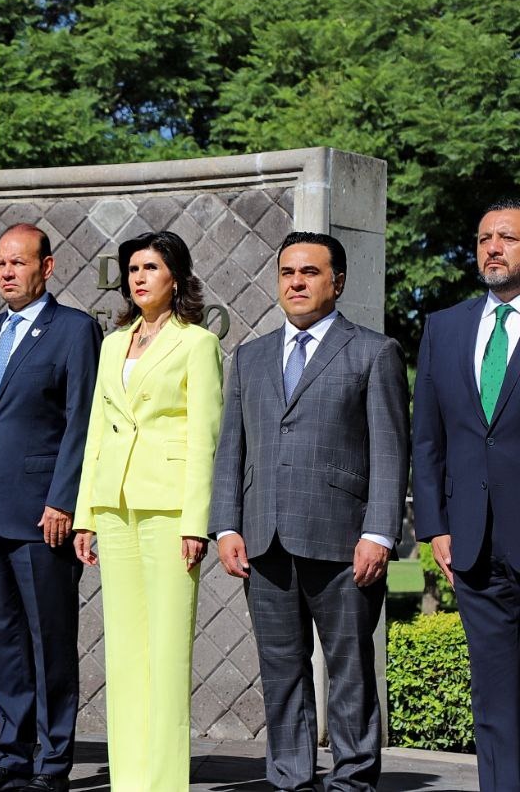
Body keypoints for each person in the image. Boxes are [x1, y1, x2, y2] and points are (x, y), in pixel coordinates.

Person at [210, 231, 408, 792]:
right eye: (288, 273)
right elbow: (232, 449)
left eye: (310, 272)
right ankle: (290, 777)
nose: (296, 282)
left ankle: (352, 779)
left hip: (345, 541)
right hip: (265, 540)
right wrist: (227, 524)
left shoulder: (374, 351)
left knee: (349, 671)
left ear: (337, 281)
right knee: (282, 670)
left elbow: (390, 449)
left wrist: (379, 533)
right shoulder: (249, 356)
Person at [0, 224, 101, 792]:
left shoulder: (74, 330)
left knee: (50, 640)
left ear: (48, 267)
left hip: (43, 516)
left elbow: (82, 422)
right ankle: (12, 756)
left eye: (18, 262)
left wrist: (64, 498)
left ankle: (53, 764)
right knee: (5, 640)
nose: (7, 272)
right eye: (0, 263)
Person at [72, 230, 223, 791]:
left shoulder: (198, 343)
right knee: (125, 653)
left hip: (167, 508)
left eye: (150, 267)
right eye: (132, 268)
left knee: (165, 652)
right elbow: (95, 435)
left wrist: (195, 521)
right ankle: (128, 780)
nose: (138, 277)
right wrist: (87, 511)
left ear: (175, 277)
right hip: (114, 507)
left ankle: (163, 782)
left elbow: (206, 437)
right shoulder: (113, 344)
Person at [413, 200, 520, 792]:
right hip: (474, 544)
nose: (493, 248)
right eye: (483, 238)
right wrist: (437, 527)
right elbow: (427, 438)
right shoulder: (444, 327)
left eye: (506, 237)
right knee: (495, 695)